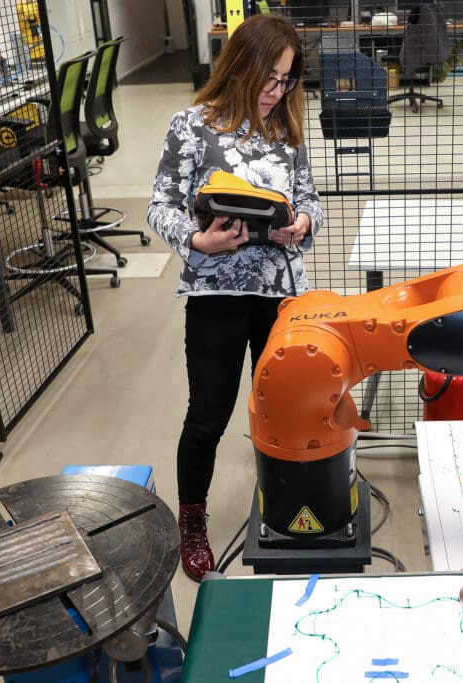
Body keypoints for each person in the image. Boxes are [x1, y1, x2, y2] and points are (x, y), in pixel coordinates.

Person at [147, 14, 322, 581]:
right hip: (217, 295)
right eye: (270, 79)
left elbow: (309, 200)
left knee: (282, 408)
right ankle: (192, 520)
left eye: (287, 81)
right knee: (208, 415)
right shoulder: (192, 126)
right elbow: (160, 205)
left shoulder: (287, 129)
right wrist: (197, 240)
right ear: (241, 68)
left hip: (280, 295)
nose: (277, 91)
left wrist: (303, 225)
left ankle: (286, 505)